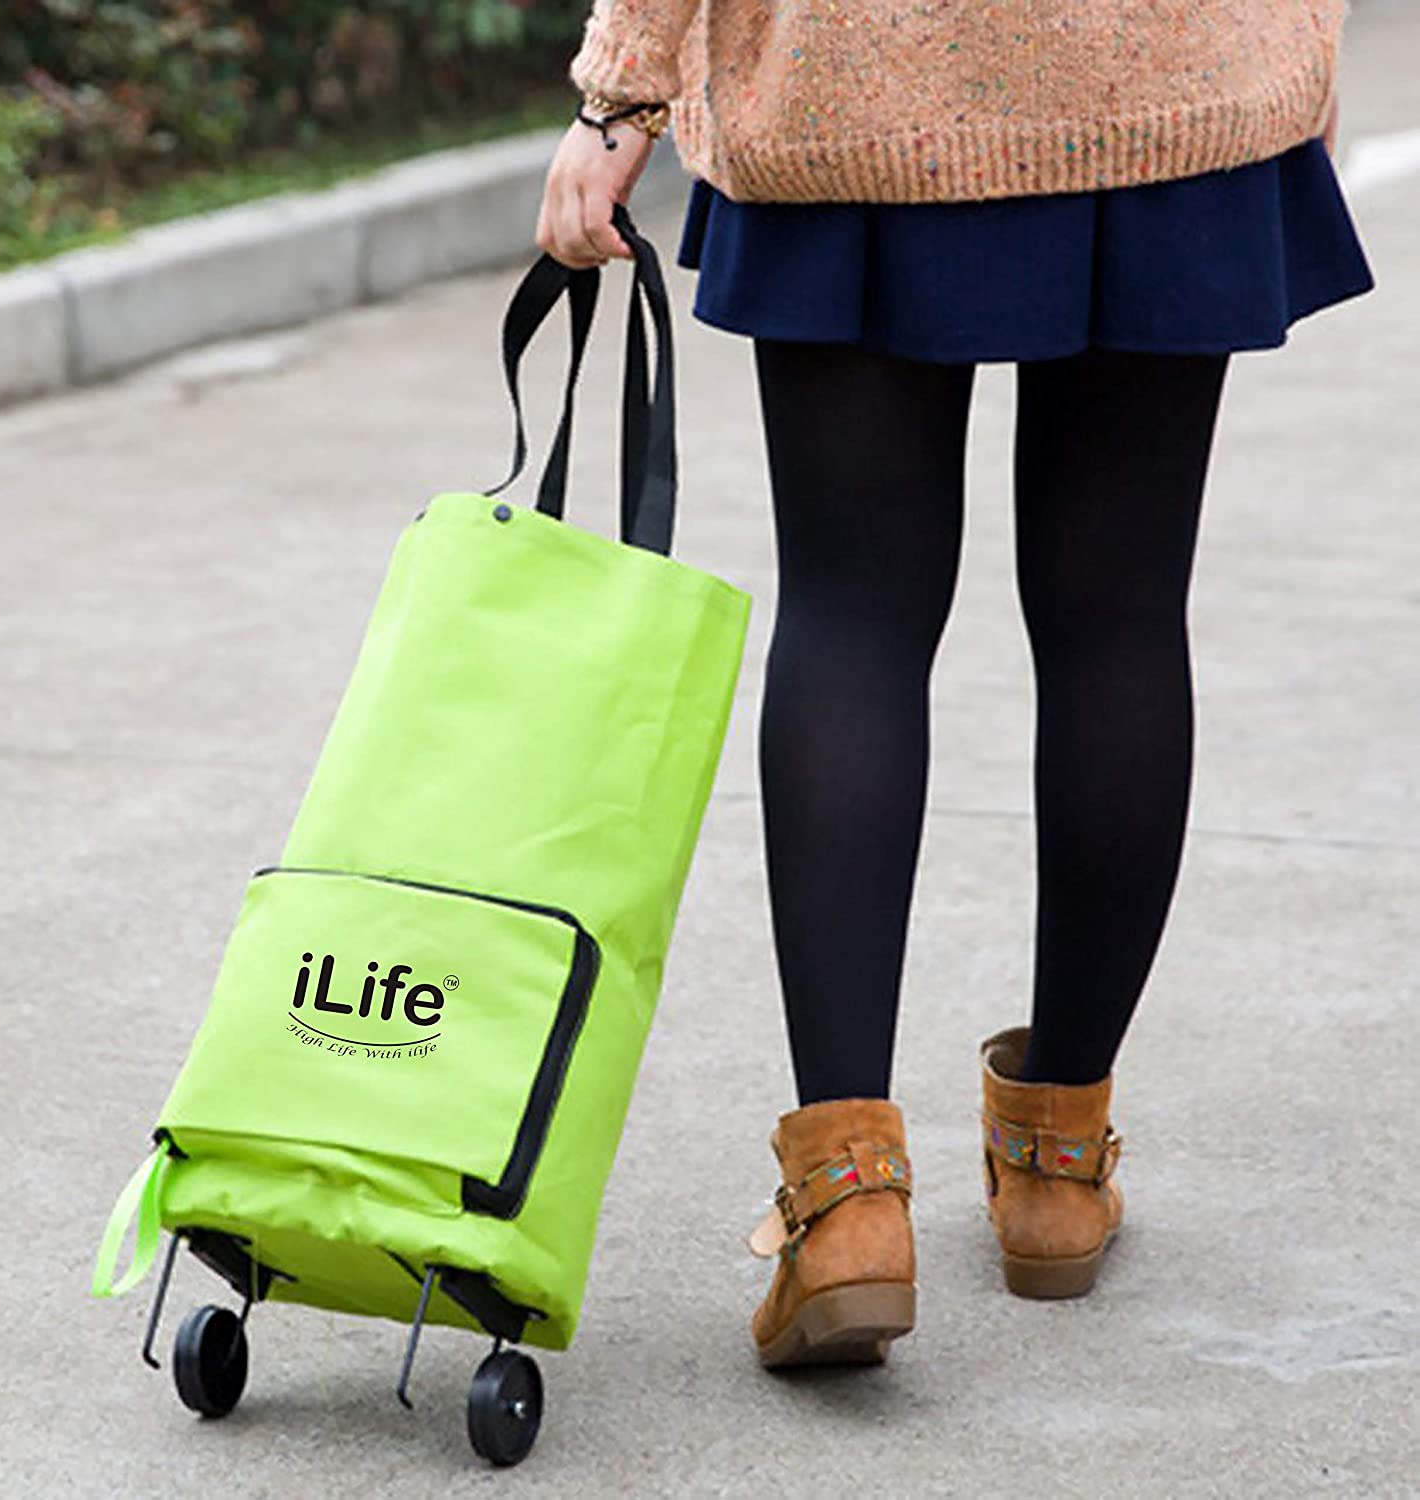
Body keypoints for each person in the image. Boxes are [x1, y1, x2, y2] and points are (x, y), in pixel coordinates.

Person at [538, 0, 1376, 1368]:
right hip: (1176, 62)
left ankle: (847, 1203)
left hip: (858, 78)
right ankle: (1055, 1164)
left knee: (856, 613)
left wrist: (619, 95)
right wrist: (1300, 44)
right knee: (1118, 618)